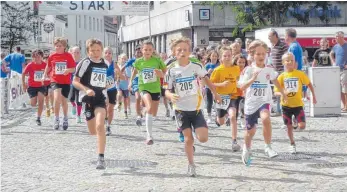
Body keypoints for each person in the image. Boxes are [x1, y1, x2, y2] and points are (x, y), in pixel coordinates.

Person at [164, 37, 221, 177]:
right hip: (180, 109)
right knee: (188, 139)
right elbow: (166, 90)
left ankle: (192, 142)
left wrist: (216, 93)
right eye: (179, 50)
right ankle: (191, 164)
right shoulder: (171, 71)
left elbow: (206, 79)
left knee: (203, 138)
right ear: (173, 52)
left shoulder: (196, 66)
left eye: (185, 49)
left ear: (189, 51)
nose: (182, 52)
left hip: (196, 109)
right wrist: (170, 96)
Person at [238, 40, 287, 166]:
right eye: (258, 54)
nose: (261, 56)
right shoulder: (248, 70)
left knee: (266, 118)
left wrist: (282, 92)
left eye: (263, 54)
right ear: (253, 55)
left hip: (264, 101)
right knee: (251, 131)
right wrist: (253, 78)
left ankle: (268, 147)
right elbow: (242, 87)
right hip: (251, 104)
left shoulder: (268, 69)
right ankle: (246, 148)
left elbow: (275, 80)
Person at [73, 38, 108, 169]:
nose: (96, 53)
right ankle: (99, 145)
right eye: (92, 50)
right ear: (88, 51)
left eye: (98, 50)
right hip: (87, 99)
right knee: (93, 131)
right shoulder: (85, 63)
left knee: (100, 126)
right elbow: (75, 81)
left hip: (100, 99)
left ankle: (101, 157)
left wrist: (108, 85)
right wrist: (86, 89)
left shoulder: (105, 63)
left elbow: (106, 81)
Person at [274, 53, 317, 154]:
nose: (289, 62)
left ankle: (295, 125)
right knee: (288, 127)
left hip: (298, 105)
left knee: (302, 126)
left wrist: (313, 96)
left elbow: (309, 84)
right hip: (286, 106)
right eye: (287, 60)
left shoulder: (299, 74)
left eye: (292, 60)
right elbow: (275, 91)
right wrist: (282, 93)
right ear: (283, 62)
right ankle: (292, 144)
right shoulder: (281, 76)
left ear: (295, 62)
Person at [128, 40, 167, 145]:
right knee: (149, 107)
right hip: (143, 87)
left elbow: (165, 73)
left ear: (153, 50)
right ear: (142, 50)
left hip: (155, 89)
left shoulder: (157, 60)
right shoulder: (138, 61)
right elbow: (134, 71)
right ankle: (149, 136)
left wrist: (161, 74)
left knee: (153, 113)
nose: (147, 51)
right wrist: (130, 82)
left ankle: (144, 112)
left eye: (150, 50)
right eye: (145, 49)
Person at [210, 47, 241, 152]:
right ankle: (218, 118)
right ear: (221, 58)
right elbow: (210, 84)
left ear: (232, 56)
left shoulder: (236, 68)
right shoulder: (217, 70)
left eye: (229, 55)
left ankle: (234, 141)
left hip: (232, 96)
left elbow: (239, 80)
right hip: (221, 98)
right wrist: (221, 84)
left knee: (233, 116)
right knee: (221, 122)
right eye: (225, 56)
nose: (227, 58)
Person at [43, 37, 76, 130]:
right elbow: (48, 66)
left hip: (65, 81)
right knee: (57, 98)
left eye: (59, 46)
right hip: (55, 80)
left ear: (64, 47)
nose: (57, 47)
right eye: (56, 46)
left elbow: (73, 69)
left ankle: (65, 118)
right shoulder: (52, 56)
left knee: (64, 101)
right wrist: (44, 75)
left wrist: (68, 70)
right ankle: (56, 119)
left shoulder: (68, 56)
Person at [21, 49, 47, 126]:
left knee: (41, 101)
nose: (36, 58)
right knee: (33, 103)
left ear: (42, 57)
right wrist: (23, 84)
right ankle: (29, 102)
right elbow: (23, 74)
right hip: (32, 86)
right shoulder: (30, 65)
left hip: (41, 86)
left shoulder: (45, 65)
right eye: (34, 57)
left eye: (38, 57)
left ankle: (38, 118)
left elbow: (50, 73)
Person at [268, 29, 289, 116]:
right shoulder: (272, 45)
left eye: (270, 36)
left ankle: (283, 109)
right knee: (276, 91)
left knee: (282, 90)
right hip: (275, 72)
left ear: (275, 36)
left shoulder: (283, 45)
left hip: (281, 72)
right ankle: (278, 109)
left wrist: (284, 71)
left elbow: (286, 57)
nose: (268, 38)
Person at [122, 44, 143, 126]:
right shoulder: (132, 60)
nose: (139, 52)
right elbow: (124, 66)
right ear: (135, 52)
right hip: (135, 81)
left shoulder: (146, 60)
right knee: (137, 97)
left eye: (140, 51)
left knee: (144, 101)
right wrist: (119, 73)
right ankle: (138, 116)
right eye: (137, 51)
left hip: (145, 82)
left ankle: (141, 109)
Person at [330, 31, 347, 112]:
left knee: (345, 89)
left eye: (337, 36)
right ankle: (344, 106)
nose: (335, 38)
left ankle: (346, 106)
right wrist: (333, 62)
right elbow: (331, 54)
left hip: (345, 70)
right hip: (337, 70)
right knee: (339, 89)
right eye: (335, 36)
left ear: (342, 37)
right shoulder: (336, 46)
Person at [104, 47, 120, 136]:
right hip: (102, 89)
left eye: (109, 53)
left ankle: (108, 126)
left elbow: (120, 75)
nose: (108, 54)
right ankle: (104, 121)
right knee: (104, 107)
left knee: (110, 108)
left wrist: (118, 73)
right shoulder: (100, 63)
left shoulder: (114, 64)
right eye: (106, 52)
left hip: (112, 88)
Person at [68, 46, 83, 123]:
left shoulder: (82, 63)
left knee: (78, 100)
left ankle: (78, 115)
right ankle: (73, 106)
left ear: (80, 53)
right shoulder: (69, 62)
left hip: (79, 84)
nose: (76, 54)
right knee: (70, 98)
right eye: (75, 52)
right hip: (70, 84)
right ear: (72, 53)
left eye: (78, 52)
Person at [204, 50, 219, 123]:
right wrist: (207, 72)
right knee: (209, 101)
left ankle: (217, 115)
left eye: (215, 56)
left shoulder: (219, 65)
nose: (214, 57)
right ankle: (209, 116)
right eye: (213, 56)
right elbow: (203, 75)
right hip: (208, 85)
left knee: (217, 101)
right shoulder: (207, 65)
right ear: (210, 57)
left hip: (217, 85)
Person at [117, 53, 131, 119]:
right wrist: (117, 78)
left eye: (125, 59)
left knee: (125, 99)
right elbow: (116, 74)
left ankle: (125, 112)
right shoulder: (118, 66)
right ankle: (119, 105)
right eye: (122, 59)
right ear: (120, 59)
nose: (123, 60)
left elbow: (128, 76)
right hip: (119, 84)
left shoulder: (128, 67)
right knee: (119, 95)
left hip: (126, 85)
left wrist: (125, 73)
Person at [159, 52, 170, 117]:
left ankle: (171, 109)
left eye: (165, 57)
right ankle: (167, 109)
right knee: (164, 97)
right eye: (162, 57)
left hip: (166, 82)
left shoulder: (168, 63)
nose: (163, 58)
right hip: (160, 82)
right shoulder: (158, 64)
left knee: (167, 95)